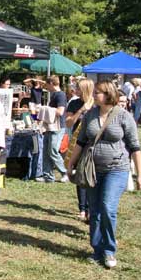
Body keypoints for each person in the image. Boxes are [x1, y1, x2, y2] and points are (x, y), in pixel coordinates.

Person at [66, 80, 141, 269]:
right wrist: (70, 163)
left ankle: (109, 250)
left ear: (108, 94)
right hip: (93, 169)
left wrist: (140, 174)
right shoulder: (90, 116)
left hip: (117, 168)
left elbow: (135, 147)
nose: (94, 96)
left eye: (98, 93)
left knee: (108, 207)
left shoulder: (124, 116)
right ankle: (97, 249)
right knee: (95, 211)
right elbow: (81, 142)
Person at [65, 78, 94, 221]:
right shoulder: (74, 103)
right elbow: (69, 123)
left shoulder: (96, 103)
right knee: (79, 174)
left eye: (77, 87)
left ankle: (90, 208)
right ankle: (82, 208)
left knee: (91, 174)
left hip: (93, 143)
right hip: (77, 142)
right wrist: (81, 110)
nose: (75, 90)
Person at [36, 76, 68, 183]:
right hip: (50, 127)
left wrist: (44, 109)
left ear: (51, 83)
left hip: (57, 127)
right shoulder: (54, 95)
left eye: (47, 84)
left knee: (53, 151)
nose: (46, 87)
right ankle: (48, 176)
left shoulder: (61, 95)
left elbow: (60, 112)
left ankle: (65, 173)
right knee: (46, 151)